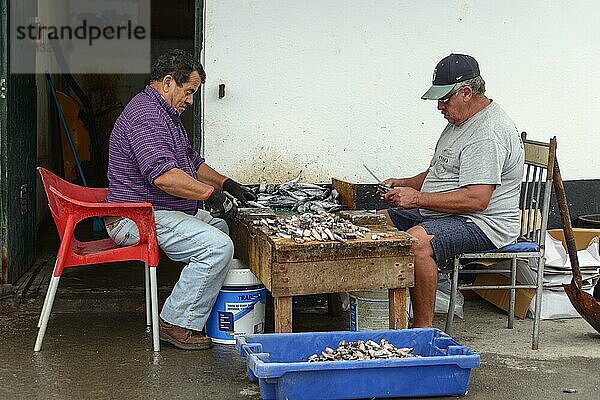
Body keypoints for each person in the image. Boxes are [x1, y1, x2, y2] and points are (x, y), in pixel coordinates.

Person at [104, 49, 256, 350]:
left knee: (220, 228)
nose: (190, 100)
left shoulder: (166, 114)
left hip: (156, 212)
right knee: (218, 247)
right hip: (134, 218)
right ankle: (175, 322)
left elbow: (191, 161)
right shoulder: (145, 116)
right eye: (188, 92)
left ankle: (185, 305)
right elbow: (164, 176)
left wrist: (227, 184)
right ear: (168, 83)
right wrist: (211, 195)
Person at [380, 53, 524, 328]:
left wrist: (418, 198)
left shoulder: (487, 133)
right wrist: (403, 183)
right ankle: (384, 313)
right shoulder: (459, 122)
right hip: (446, 210)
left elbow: (477, 199)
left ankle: (422, 330)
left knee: (417, 244)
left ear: (467, 93)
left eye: (445, 99)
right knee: (377, 223)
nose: (439, 106)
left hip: (483, 223)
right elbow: (437, 174)